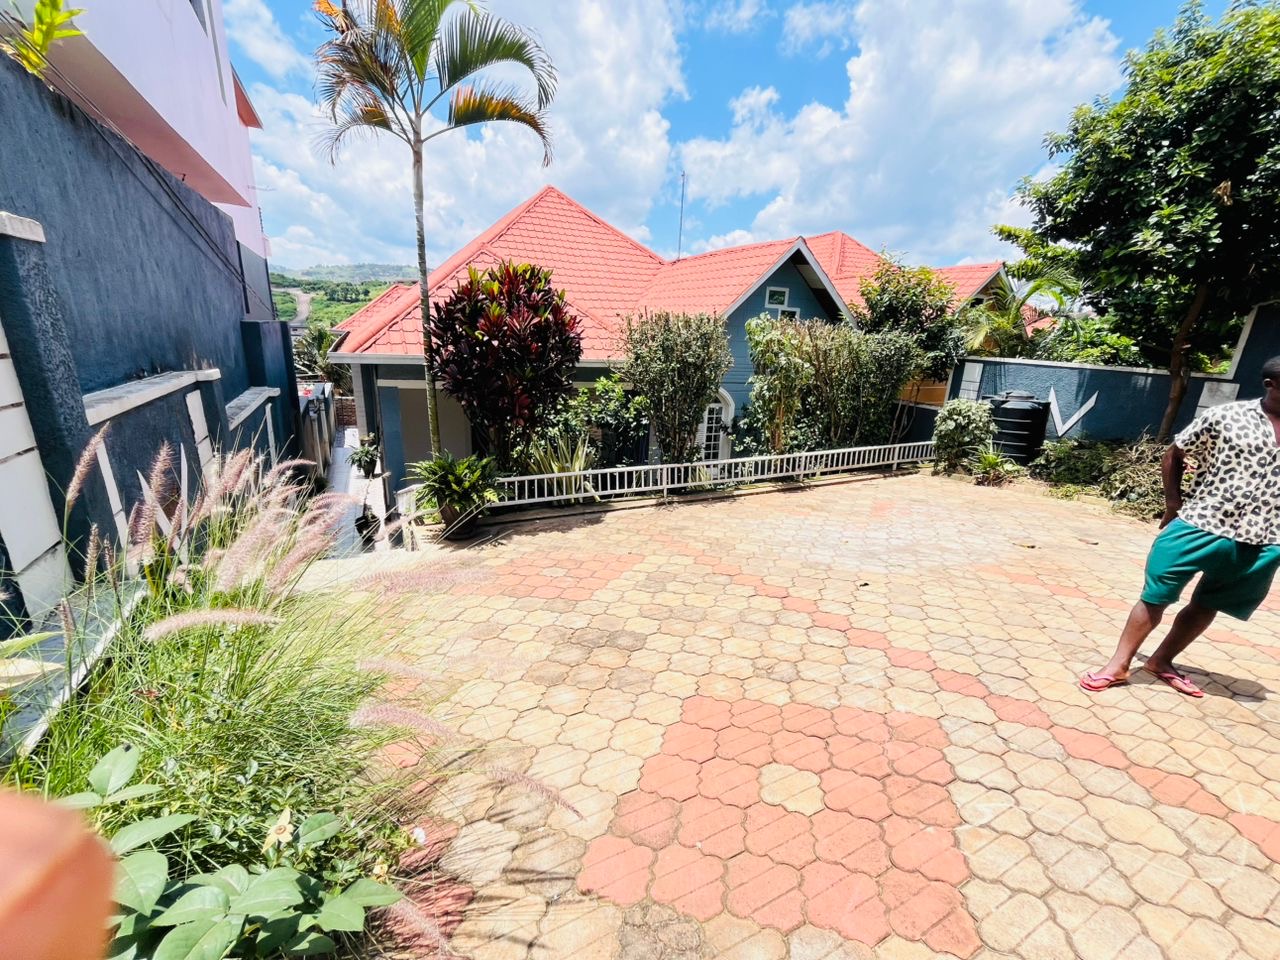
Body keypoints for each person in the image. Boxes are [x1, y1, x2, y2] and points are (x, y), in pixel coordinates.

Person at [1081, 356, 1280, 698]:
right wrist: (1173, 504)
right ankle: (1118, 664)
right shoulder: (1226, 416)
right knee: (1155, 596)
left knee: (1208, 603)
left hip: (1262, 537)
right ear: (1270, 384)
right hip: (1201, 523)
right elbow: (1175, 454)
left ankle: (1161, 660)